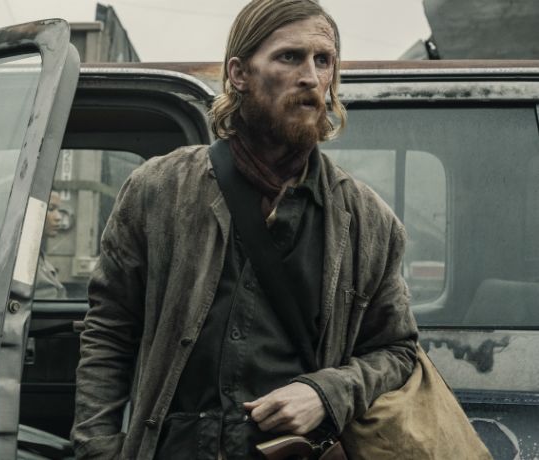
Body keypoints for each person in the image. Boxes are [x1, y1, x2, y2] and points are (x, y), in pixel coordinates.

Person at [71, 1, 419, 459]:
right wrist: (98, 449)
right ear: (239, 74)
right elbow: (110, 329)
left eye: (323, 61)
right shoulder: (159, 189)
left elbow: (397, 350)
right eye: (289, 57)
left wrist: (327, 392)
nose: (311, 77)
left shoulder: (368, 221)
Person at [35, 190, 67, 299]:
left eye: (58, 210)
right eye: (51, 209)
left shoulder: (39, 258)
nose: (58, 217)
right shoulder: (24, 262)